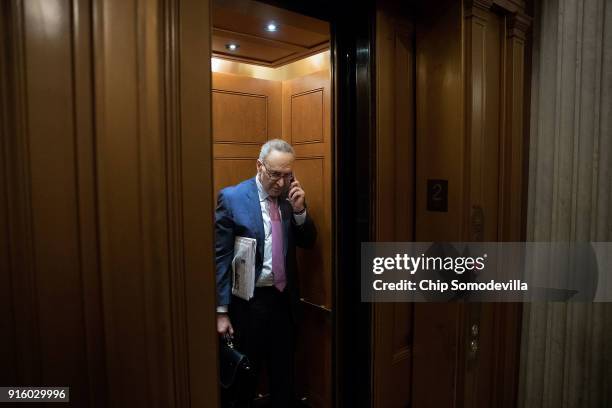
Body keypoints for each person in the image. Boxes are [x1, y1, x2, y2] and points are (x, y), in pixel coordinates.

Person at [215, 139, 317, 408]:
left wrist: (300, 211)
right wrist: (221, 311)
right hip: (248, 305)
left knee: (283, 379)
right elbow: (221, 258)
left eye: (287, 175)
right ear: (260, 166)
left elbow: (308, 241)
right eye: (275, 174)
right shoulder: (232, 198)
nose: (281, 183)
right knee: (245, 381)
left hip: (284, 303)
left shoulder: (289, 199)